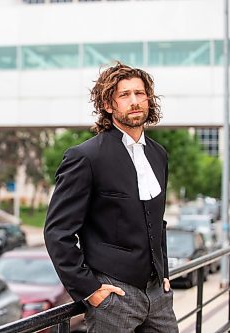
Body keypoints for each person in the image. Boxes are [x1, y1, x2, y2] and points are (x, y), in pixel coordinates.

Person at [44, 61, 178, 332]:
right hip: (114, 298)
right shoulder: (85, 157)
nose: (134, 101)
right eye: (124, 95)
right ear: (108, 105)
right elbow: (57, 232)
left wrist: (164, 273)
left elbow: (157, 222)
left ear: (149, 99)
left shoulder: (158, 154)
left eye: (140, 94)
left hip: (158, 296)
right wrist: (90, 290)